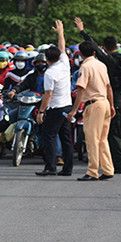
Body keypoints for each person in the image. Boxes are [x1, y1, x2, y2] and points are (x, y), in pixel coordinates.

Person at [76, 18, 121, 174]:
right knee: (118, 134)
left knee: (107, 136)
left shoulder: (107, 61)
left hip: (109, 100)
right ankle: (115, 165)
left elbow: (94, 49)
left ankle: (114, 166)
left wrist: (82, 31)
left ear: (105, 48)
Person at [67, 38, 115, 181]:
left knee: (92, 140)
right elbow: (108, 87)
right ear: (94, 52)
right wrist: (111, 105)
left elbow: (81, 89)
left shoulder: (85, 67)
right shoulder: (101, 65)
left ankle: (92, 171)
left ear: (80, 54)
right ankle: (107, 169)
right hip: (104, 102)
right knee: (102, 139)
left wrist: (74, 110)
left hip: (93, 104)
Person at [34, 21, 74, 177]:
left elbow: (48, 95)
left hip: (56, 108)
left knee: (49, 136)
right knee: (66, 138)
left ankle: (50, 167)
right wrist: (61, 33)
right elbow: (62, 48)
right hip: (67, 107)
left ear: (46, 60)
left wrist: (41, 112)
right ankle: (68, 169)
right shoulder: (64, 64)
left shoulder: (49, 73)